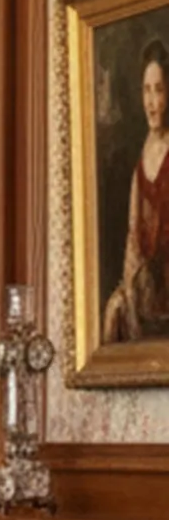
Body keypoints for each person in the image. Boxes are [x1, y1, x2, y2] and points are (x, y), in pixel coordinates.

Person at [101, 37, 169, 345]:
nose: (151, 102)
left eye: (159, 90)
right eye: (146, 90)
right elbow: (133, 232)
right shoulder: (143, 152)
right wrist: (130, 288)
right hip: (144, 288)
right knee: (114, 310)